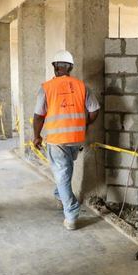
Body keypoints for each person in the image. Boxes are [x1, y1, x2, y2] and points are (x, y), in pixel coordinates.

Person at [32, 50, 100, 230]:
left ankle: (71, 214)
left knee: (62, 173)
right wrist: (83, 124)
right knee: (64, 172)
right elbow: (94, 111)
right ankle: (58, 194)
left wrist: (36, 136)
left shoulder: (46, 88)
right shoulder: (82, 86)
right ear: (70, 67)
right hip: (76, 138)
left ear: (55, 67)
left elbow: (38, 116)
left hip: (57, 140)